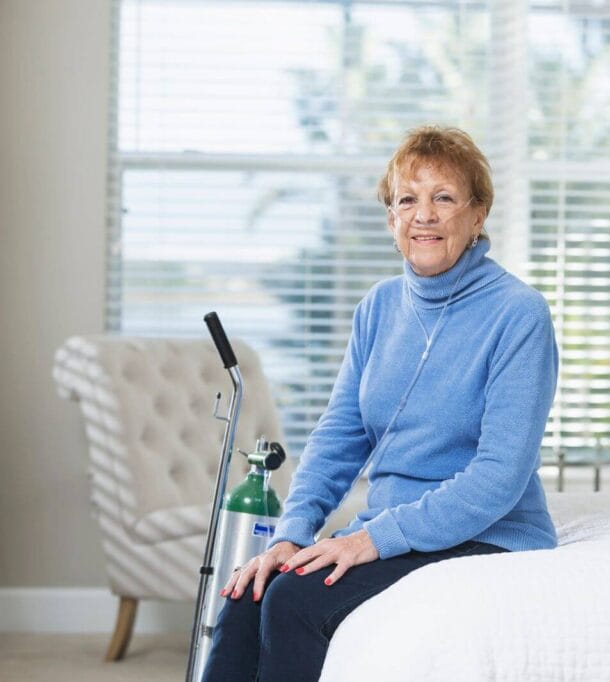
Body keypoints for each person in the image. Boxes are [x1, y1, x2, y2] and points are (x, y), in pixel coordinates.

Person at [202, 126, 560, 681]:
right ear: (392, 220)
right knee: (250, 589)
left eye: (444, 197)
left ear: (478, 214)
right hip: (390, 526)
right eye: (407, 200)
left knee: (294, 601)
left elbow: (500, 475)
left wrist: (373, 538)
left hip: (486, 534)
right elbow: (340, 435)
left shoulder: (518, 314)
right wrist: (293, 532)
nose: (425, 215)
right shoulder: (379, 307)